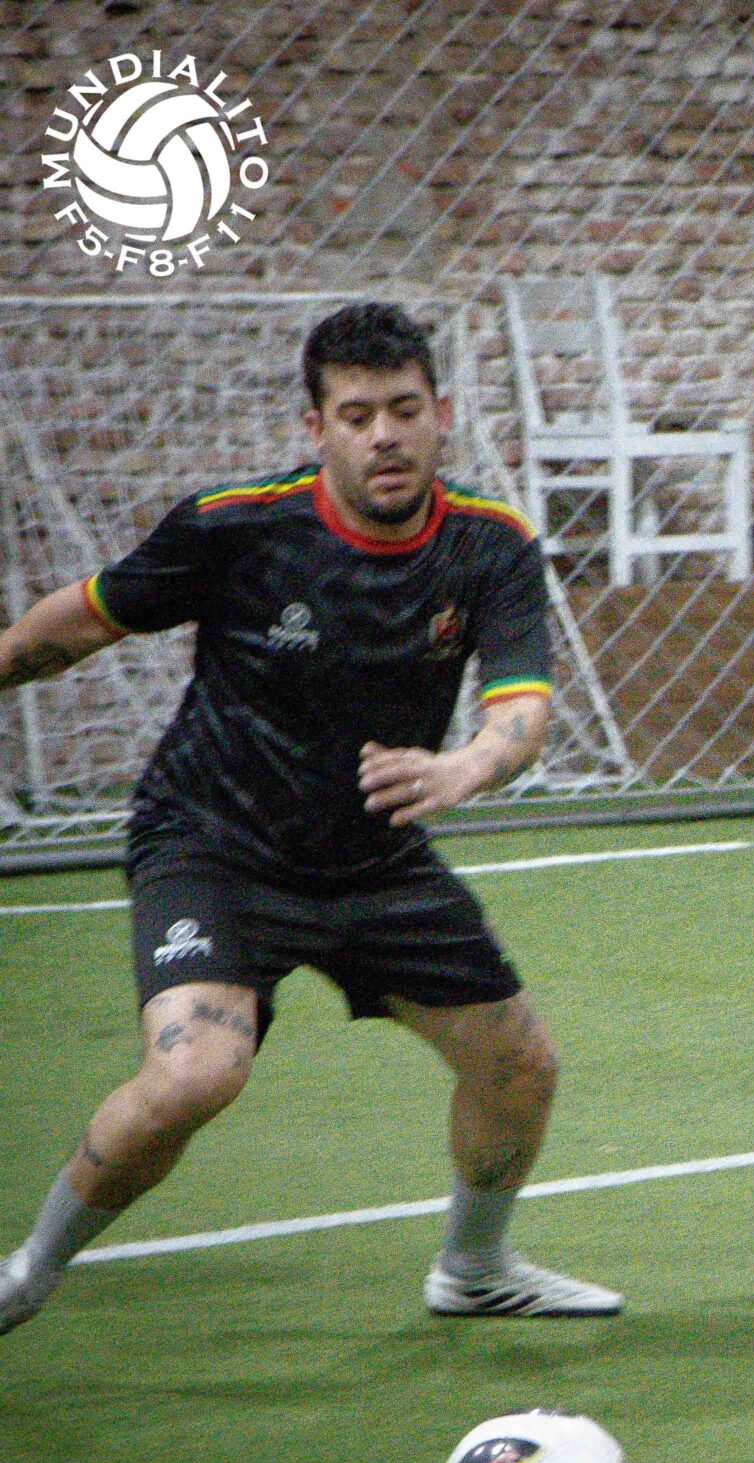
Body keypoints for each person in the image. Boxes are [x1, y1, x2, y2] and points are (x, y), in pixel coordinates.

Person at [0, 301, 621, 1335]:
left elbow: (521, 713)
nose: (385, 437)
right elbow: (78, 621)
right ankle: (27, 1272)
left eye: (405, 410)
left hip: (374, 859)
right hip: (215, 844)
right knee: (196, 1074)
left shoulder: (491, 546)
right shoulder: (239, 527)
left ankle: (474, 1270)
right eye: (357, 415)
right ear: (315, 427)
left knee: (520, 1064)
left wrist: (467, 765)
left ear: (442, 415)